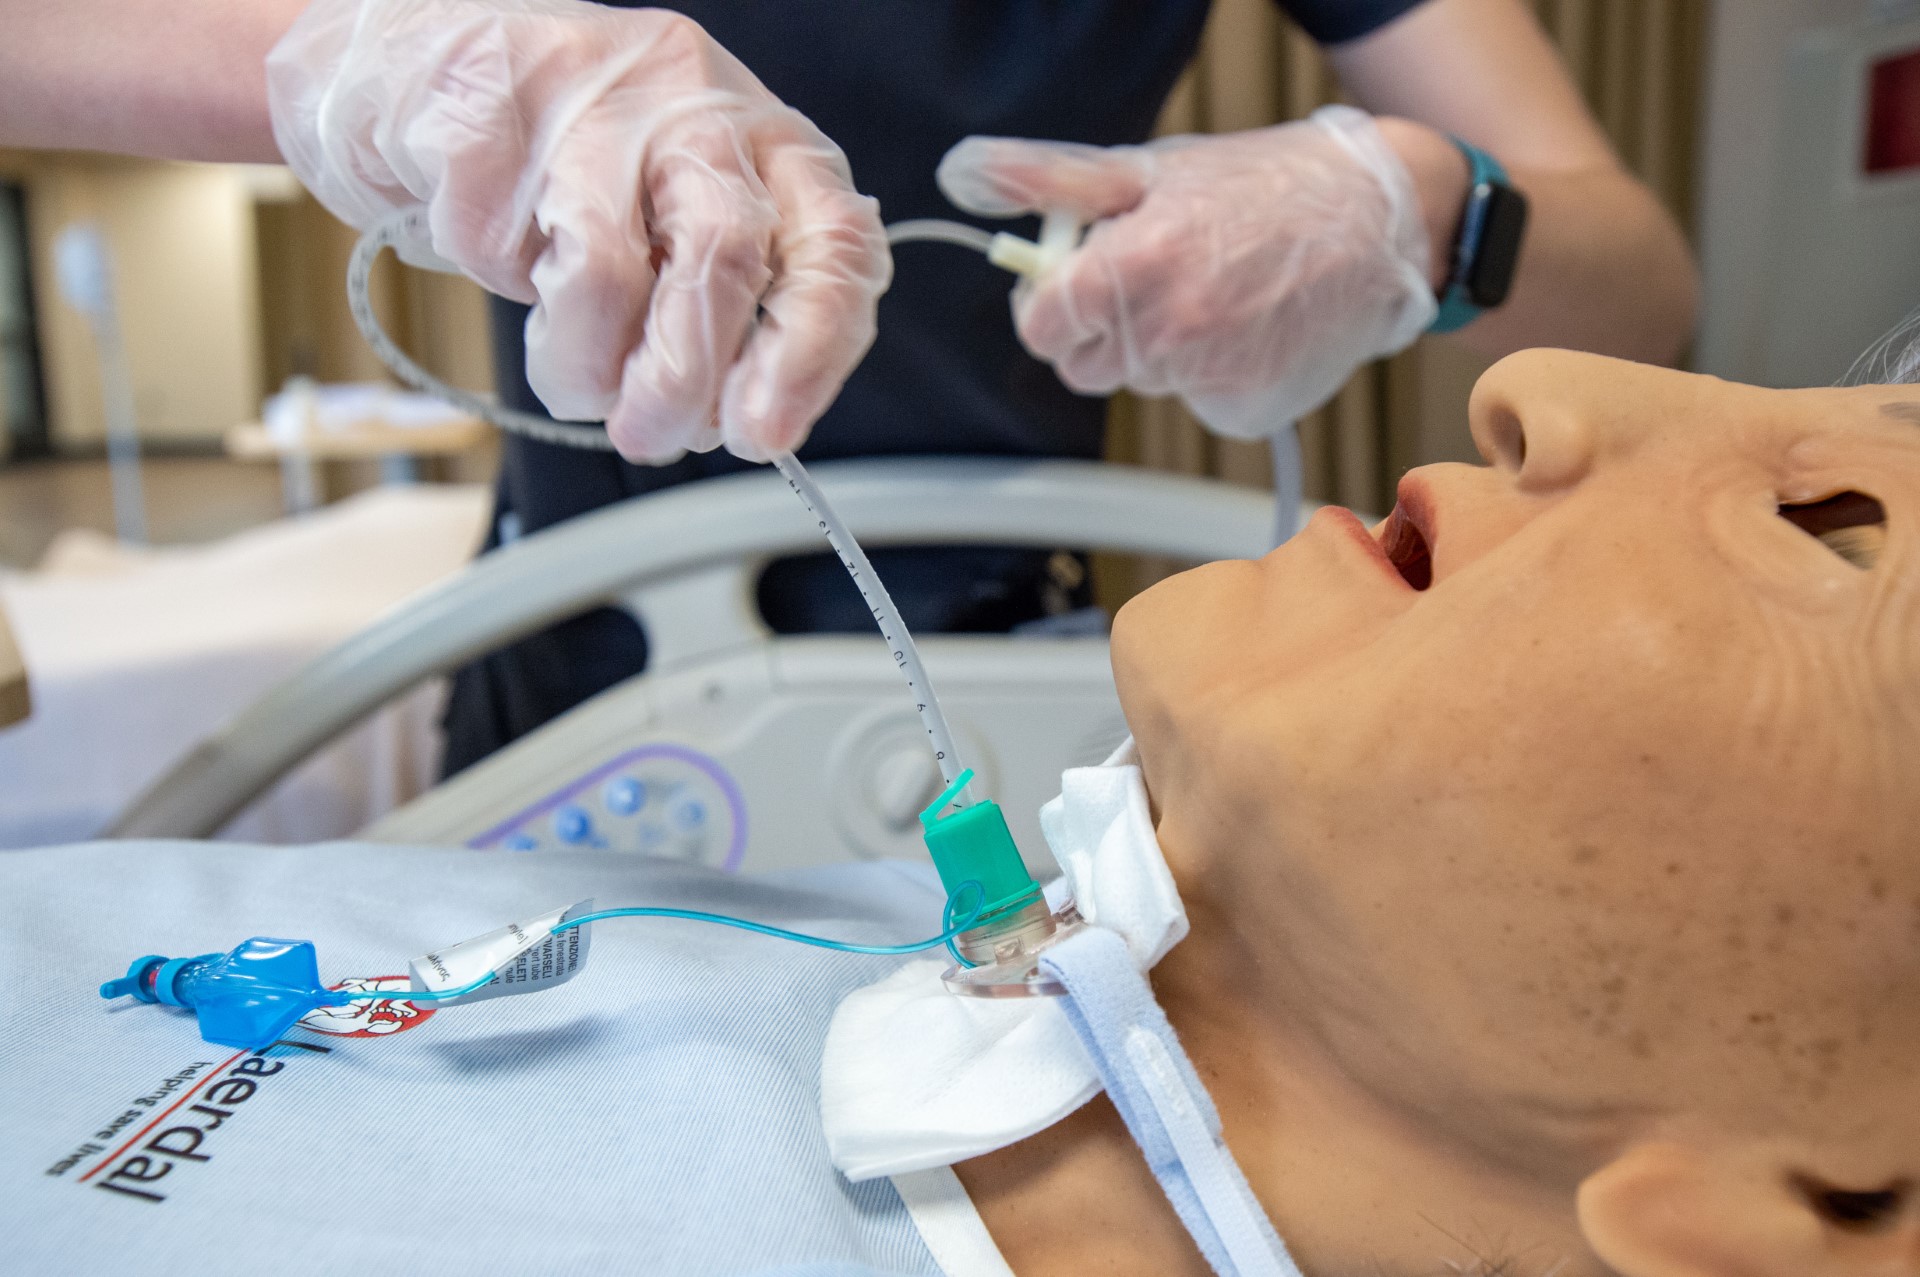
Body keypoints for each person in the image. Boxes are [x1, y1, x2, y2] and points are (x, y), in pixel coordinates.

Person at [6, 345, 1915, 1275]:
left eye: (1830, 532)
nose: (1538, 386)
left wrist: (1437, 197)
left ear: (1842, 1198)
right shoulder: (915, 951)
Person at [0, 0, 1698, 774]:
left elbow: (1646, 285)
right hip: (558, 669)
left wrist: (1422, 201)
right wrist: (340, 58)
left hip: (1003, 680)